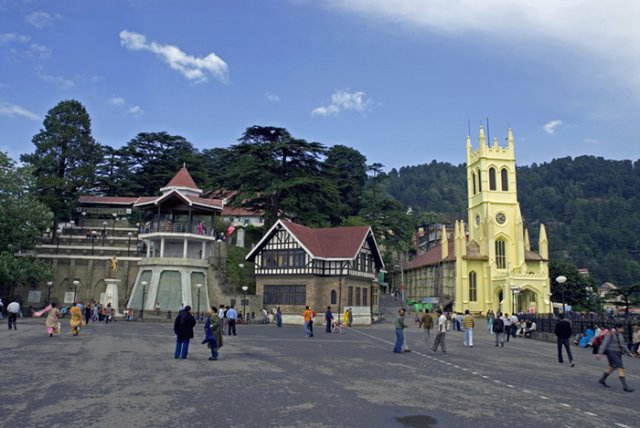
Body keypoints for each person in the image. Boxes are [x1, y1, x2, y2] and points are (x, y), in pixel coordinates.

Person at [597, 322, 637, 392]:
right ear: (618, 328)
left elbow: (623, 345)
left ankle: (602, 379)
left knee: (612, 367)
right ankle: (625, 386)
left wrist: (629, 353)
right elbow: (605, 343)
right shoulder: (610, 333)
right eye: (622, 328)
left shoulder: (620, 335)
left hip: (618, 353)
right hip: (611, 352)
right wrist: (600, 353)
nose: (623, 329)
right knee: (620, 367)